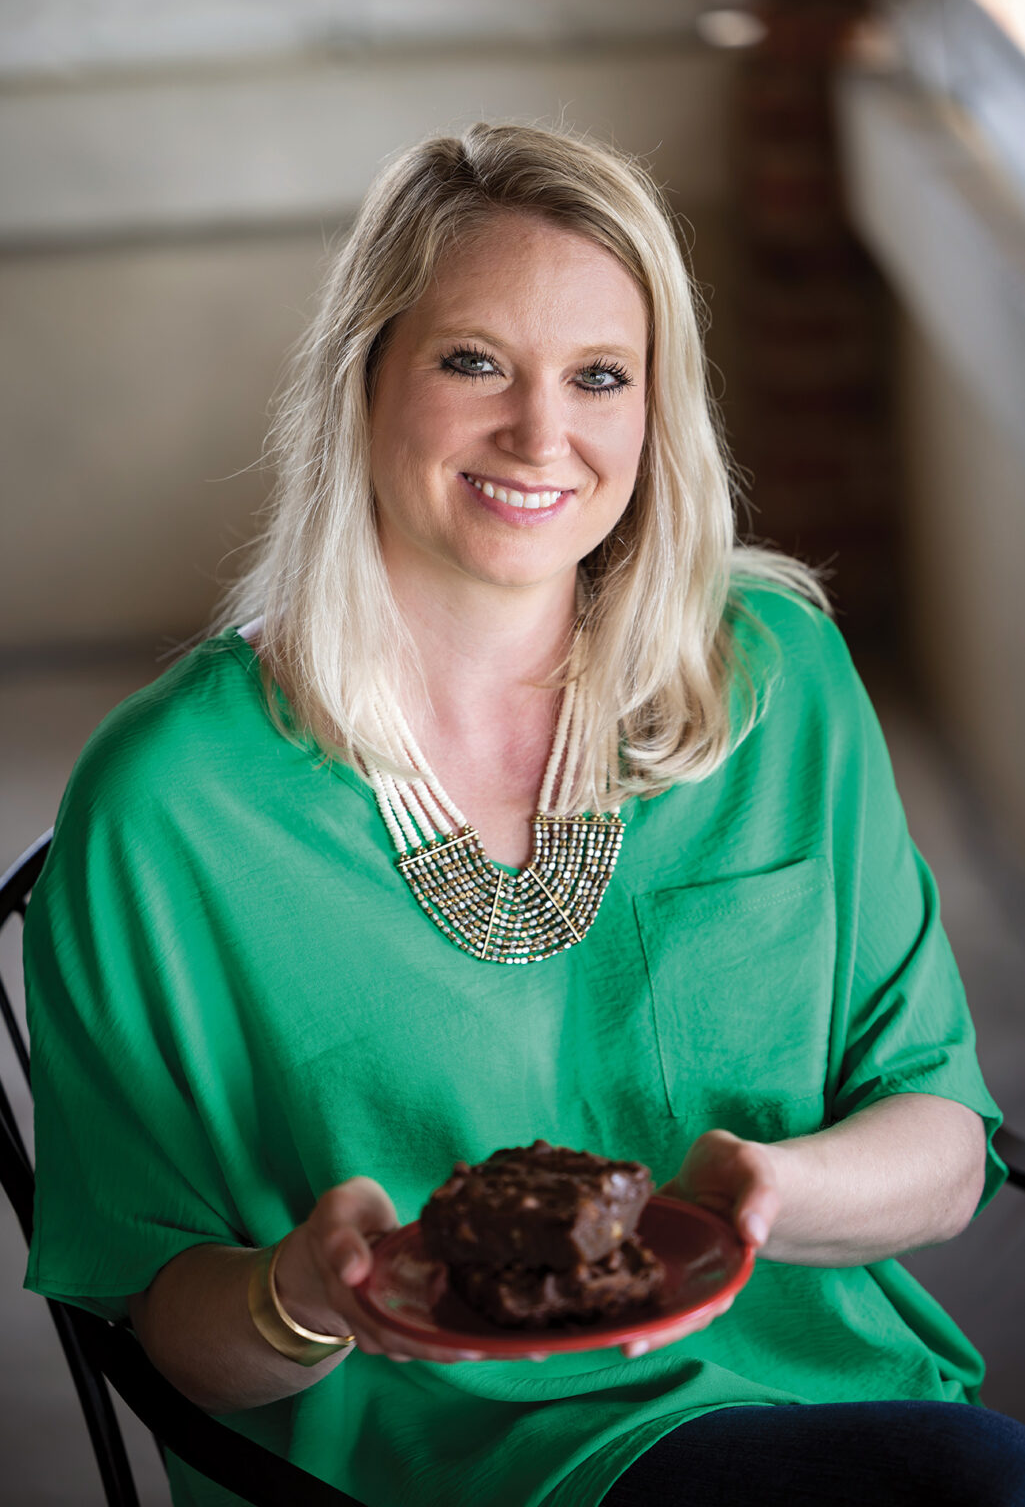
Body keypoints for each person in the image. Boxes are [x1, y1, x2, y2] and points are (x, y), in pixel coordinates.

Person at [22, 121, 1025, 1507]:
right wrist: (305, 1294)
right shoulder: (174, 801)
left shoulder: (772, 678)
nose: (540, 434)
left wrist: (764, 1190)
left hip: (825, 1401)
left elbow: (941, 1140)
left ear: (653, 409)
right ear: (364, 377)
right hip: (433, 1470)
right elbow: (166, 1331)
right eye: (472, 361)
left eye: (599, 376)